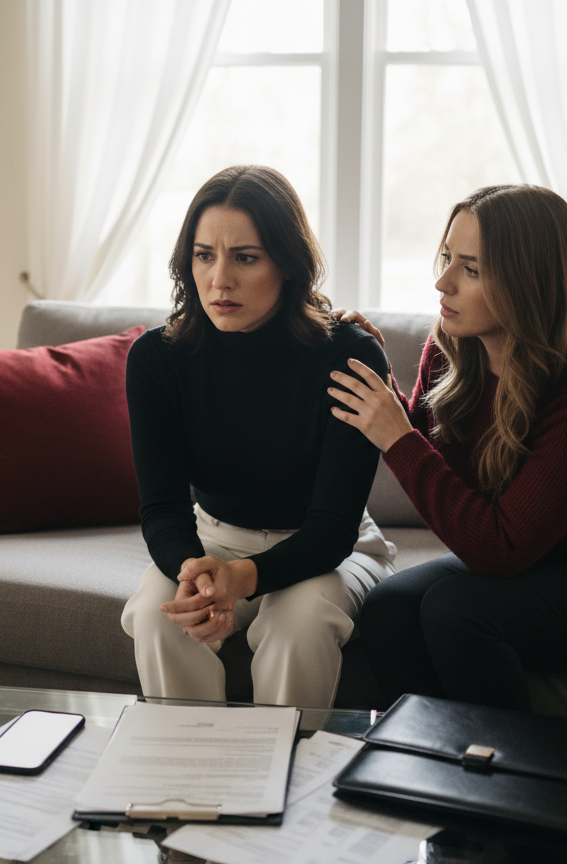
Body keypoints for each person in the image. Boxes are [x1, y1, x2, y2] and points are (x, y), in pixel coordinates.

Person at [327, 184, 567, 711]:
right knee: (389, 606)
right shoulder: (451, 351)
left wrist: (396, 436)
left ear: (525, 282)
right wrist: (378, 374)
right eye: (446, 257)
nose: (442, 283)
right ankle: (426, 760)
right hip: (528, 571)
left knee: (454, 609)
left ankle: (509, 779)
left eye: (470, 269)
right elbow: (425, 442)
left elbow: (501, 548)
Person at [120, 165, 396, 709]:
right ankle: (189, 783)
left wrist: (240, 579)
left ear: (288, 266)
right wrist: (197, 576)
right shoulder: (157, 358)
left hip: (331, 549)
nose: (219, 280)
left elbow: (332, 529)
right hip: (214, 536)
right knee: (163, 618)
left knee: (299, 626)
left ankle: (286, 782)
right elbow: (162, 509)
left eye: (245, 257)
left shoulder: (350, 354)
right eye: (204, 255)